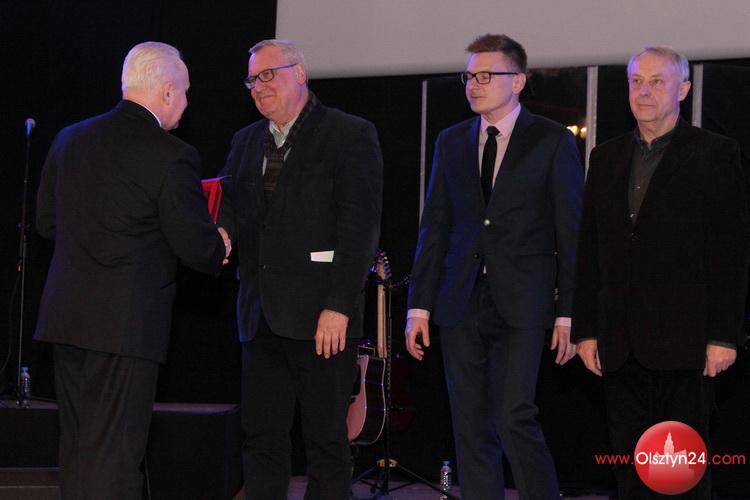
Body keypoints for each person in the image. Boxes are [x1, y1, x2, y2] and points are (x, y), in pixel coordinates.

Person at [34, 41, 230, 499]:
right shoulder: (171, 154)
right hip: (124, 326)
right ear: (167, 92)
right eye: (184, 92)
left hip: (66, 319)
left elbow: (46, 223)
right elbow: (192, 243)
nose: (186, 102)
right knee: (116, 456)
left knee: (79, 448)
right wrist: (217, 245)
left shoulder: (69, 139)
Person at [405, 33, 583, 499]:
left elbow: (571, 232)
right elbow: (435, 226)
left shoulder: (552, 140)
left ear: (518, 81)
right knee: (469, 423)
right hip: (460, 300)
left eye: (486, 75)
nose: (474, 84)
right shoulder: (450, 141)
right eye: (469, 76)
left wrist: (568, 313)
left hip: (524, 301)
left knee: (513, 416)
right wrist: (418, 307)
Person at [572, 46, 749, 499]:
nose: (644, 92)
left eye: (657, 82)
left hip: (686, 342)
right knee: (629, 468)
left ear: (683, 89)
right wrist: (586, 330)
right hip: (618, 342)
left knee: (682, 471)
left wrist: (724, 336)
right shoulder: (605, 158)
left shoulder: (715, 154)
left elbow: (730, 254)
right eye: (636, 82)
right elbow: (590, 251)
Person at [217, 39, 383, 498]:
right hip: (259, 316)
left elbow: (360, 229)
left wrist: (339, 306)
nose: (258, 86)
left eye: (268, 74)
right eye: (252, 79)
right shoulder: (245, 141)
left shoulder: (349, 134)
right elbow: (230, 205)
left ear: (301, 74)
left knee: (326, 442)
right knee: (261, 439)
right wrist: (222, 232)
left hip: (322, 318)